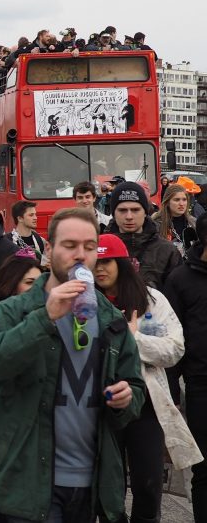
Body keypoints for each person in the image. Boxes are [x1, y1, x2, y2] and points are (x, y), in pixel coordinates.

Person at [0, 207, 146, 523]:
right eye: (70, 245)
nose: (81, 255)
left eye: (90, 247)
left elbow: (135, 388)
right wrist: (43, 318)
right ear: (49, 251)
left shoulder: (109, 319)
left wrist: (126, 398)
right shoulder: (17, 309)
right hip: (26, 483)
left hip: (87, 485)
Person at [92, 233, 202, 522]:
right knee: (106, 486)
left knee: (148, 484)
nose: (100, 269)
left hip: (146, 406)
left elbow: (175, 348)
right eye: (95, 262)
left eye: (108, 262)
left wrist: (134, 340)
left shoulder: (152, 301)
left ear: (123, 264)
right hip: (99, 406)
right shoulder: (83, 303)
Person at [163, 213, 207, 520]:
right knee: (203, 468)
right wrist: (171, 395)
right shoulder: (181, 278)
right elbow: (172, 337)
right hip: (200, 384)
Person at [105, 181, 181, 288]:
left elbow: (177, 296)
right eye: (122, 210)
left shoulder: (167, 252)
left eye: (135, 210)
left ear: (145, 212)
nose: (129, 216)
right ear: (114, 213)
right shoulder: (100, 249)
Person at [152, 183, 196, 254]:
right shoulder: (156, 224)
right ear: (167, 202)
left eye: (184, 200)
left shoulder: (193, 222)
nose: (181, 204)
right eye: (177, 200)